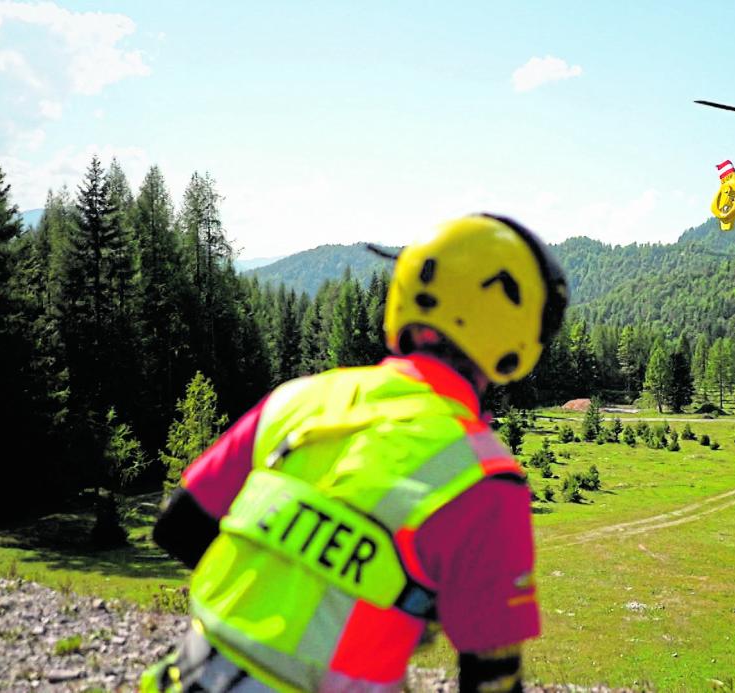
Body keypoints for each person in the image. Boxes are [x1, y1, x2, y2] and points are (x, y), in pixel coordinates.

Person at [142, 214, 569, 693]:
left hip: (184, 678)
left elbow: (178, 527)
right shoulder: (486, 479)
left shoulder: (300, 397)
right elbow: (492, 679)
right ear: (515, 330)